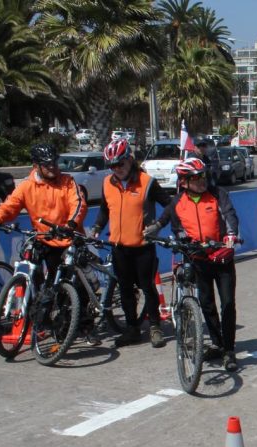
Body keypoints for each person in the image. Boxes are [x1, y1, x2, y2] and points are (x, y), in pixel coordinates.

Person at [0, 143, 93, 342]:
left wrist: (71, 224)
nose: (53, 167)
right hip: (45, 239)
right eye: (47, 164)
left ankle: (85, 326)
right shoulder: (27, 186)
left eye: (55, 163)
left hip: (69, 238)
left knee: (76, 284)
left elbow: (78, 204)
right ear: (36, 166)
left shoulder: (67, 182)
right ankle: (45, 319)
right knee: (46, 282)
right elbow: (9, 206)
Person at [154, 157, 240, 372]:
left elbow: (230, 215)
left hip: (221, 256)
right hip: (198, 259)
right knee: (207, 304)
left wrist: (231, 235)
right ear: (184, 181)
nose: (202, 180)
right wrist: (176, 238)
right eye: (196, 178)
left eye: (203, 176)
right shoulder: (178, 202)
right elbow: (173, 225)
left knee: (228, 303)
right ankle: (218, 344)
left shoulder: (217, 194)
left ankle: (229, 350)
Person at [91, 139, 171, 348]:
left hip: (143, 246)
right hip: (119, 246)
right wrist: (97, 227)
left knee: (147, 287)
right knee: (125, 289)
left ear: (130, 160)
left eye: (120, 164)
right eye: (112, 166)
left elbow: (171, 204)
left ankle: (155, 327)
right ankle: (132, 329)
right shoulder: (108, 183)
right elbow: (104, 209)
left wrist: (159, 224)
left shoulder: (147, 182)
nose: (117, 169)